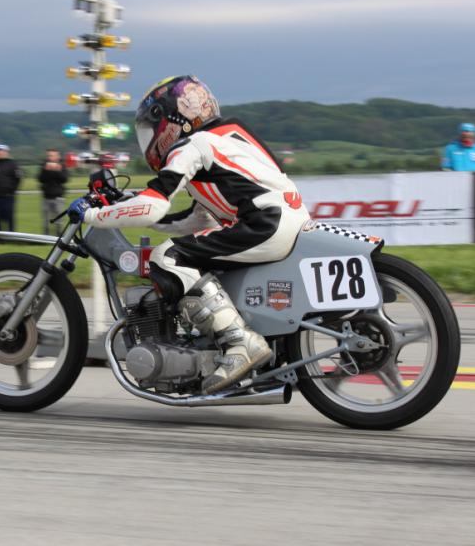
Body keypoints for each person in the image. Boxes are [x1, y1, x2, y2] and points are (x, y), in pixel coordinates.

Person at [68, 75, 310, 393]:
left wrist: (92, 215)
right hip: (284, 219)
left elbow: (154, 205)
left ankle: (239, 343)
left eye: (151, 130)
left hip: (265, 223)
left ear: (173, 119)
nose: (150, 140)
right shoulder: (229, 134)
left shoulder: (193, 145)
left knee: (167, 257)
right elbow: (195, 219)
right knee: (192, 252)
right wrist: (128, 204)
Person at [38, 148, 69, 235]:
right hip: (46, 197)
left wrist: (57, 170)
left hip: (58, 197)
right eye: (49, 155)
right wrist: (46, 170)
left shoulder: (62, 165)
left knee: (59, 221)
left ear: (57, 156)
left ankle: (59, 236)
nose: (50, 157)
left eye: (52, 155)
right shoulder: (44, 165)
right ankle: (46, 237)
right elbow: (40, 179)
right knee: (46, 221)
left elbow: (65, 179)